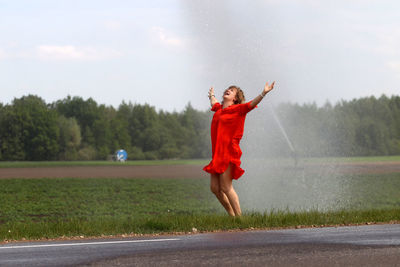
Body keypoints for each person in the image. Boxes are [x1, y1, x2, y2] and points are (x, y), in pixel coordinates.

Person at [203, 82, 275, 216]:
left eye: (231, 90)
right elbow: (214, 102)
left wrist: (263, 93)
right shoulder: (218, 109)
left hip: (229, 152)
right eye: (227, 89)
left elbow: (251, 104)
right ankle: (232, 216)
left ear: (235, 99)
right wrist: (211, 95)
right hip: (217, 154)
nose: (228, 90)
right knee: (214, 188)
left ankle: (239, 218)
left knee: (226, 187)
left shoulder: (239, 110)